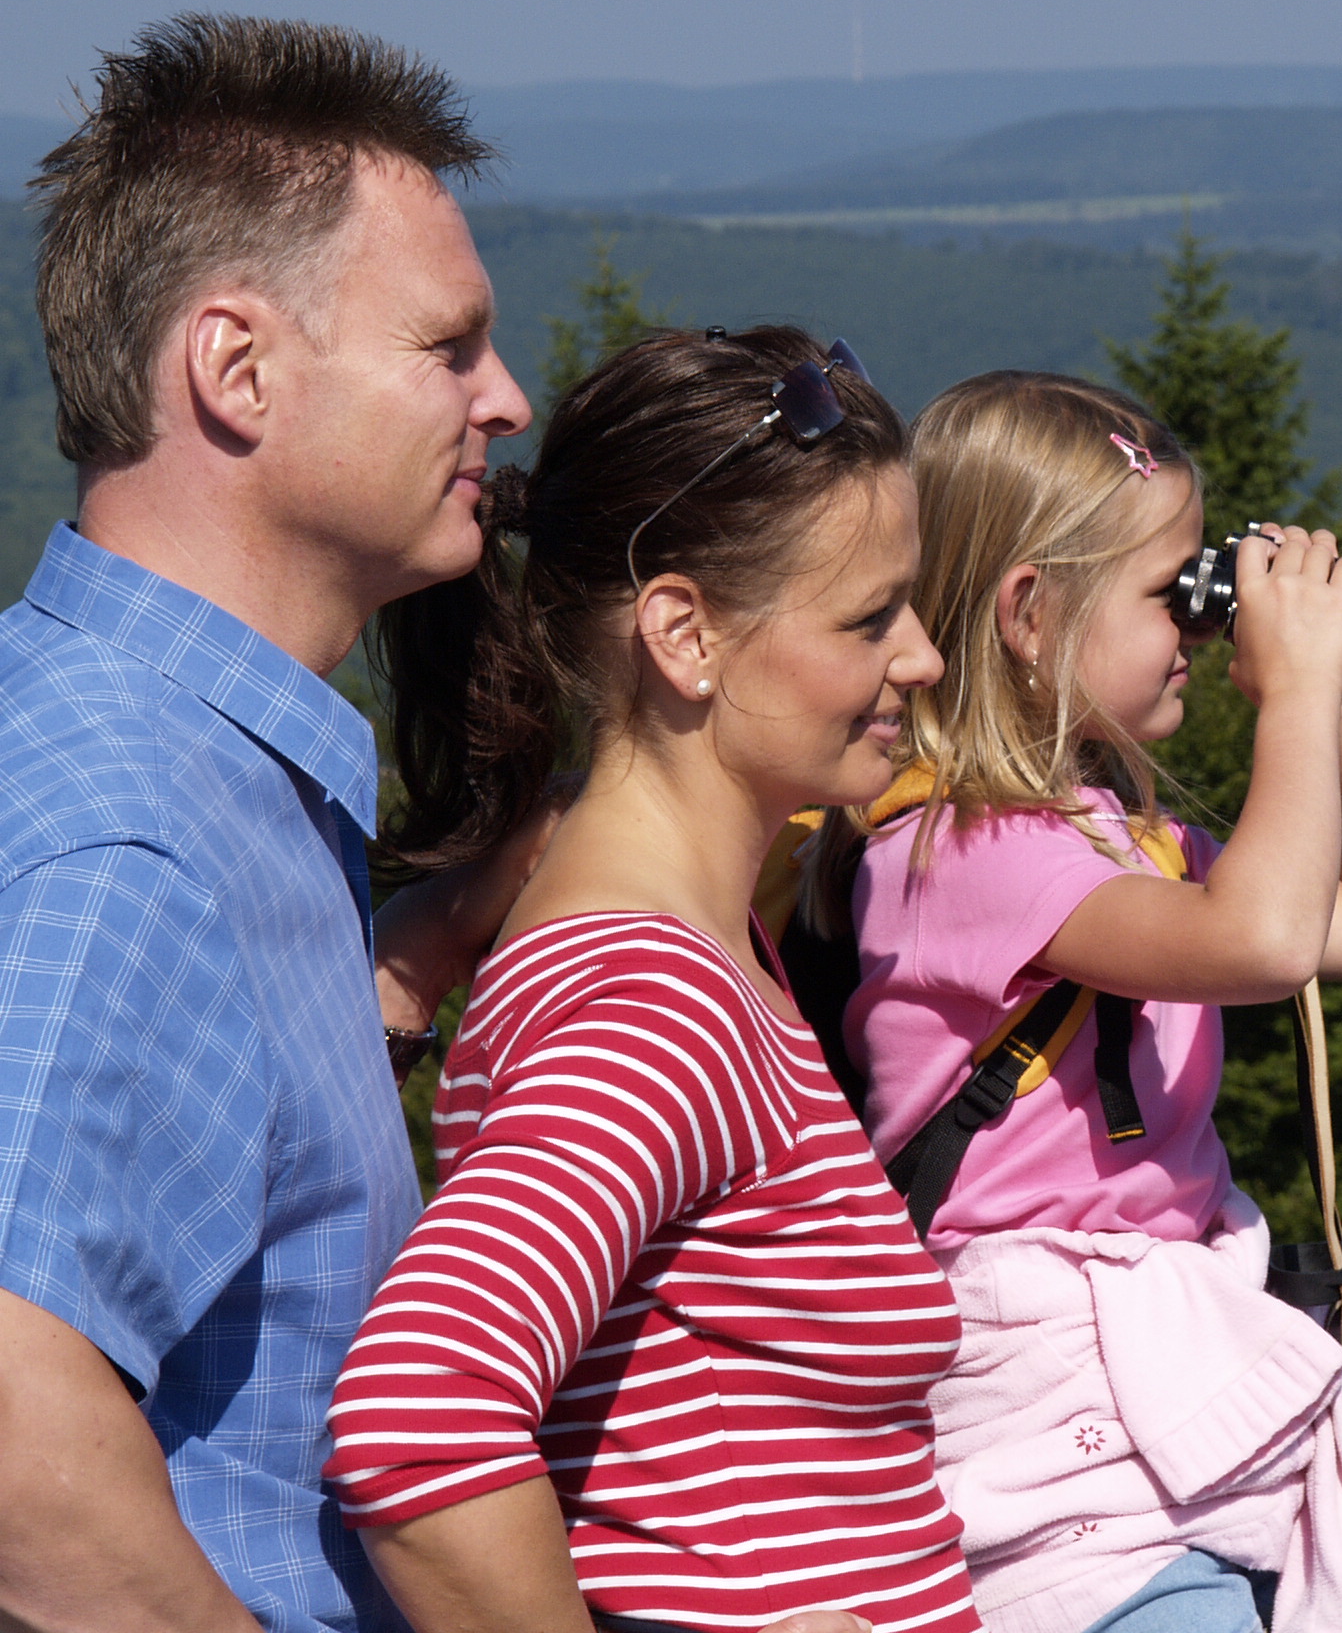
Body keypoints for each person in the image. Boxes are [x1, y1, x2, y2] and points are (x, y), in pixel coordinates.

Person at [816, 371, 1342, 1631]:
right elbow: (1264, 943)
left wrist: (1341, 688)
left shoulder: (1112, 845)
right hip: (1059, 1464)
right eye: (1172, 596)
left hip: (1217, 1397)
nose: (1204, 629)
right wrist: (1297, 699)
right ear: (1030, 616)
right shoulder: (953, 853)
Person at [0, 14, 535, 1633]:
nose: (505, 400)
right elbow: (18, 1442)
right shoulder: (135, 838)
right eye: (448, 348)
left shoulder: (132, 752)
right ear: (236, 369)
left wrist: (387, 986)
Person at [324, 328, 979, 1633]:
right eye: (866, 617)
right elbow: (421, 1412)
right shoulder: (656, 1004)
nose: (923, 658)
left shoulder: (699, 953)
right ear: (684, 633)